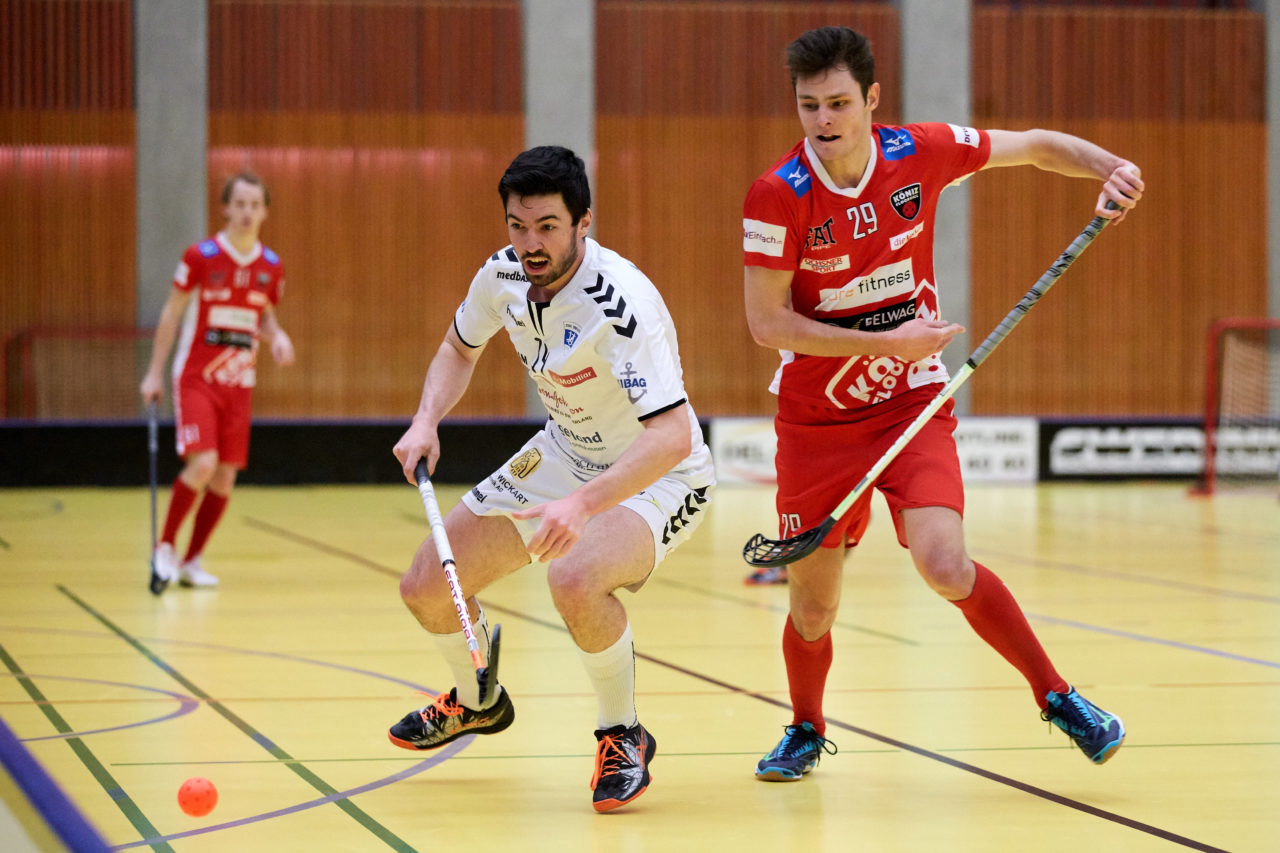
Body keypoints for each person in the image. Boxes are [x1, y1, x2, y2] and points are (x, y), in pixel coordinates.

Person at [741, 27, 1143, 780]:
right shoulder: (778, 194)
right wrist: (882, 345)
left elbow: (1027, 144)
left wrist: (1107, 165)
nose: (823, 122)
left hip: (911, 402)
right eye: (808, 106)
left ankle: (1058, 696)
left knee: (944, 561)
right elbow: (767, 325)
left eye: (837, 104)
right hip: (818, 420)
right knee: (813, 609)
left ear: (872, 100)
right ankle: (804, 726)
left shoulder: (917, 152)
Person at [387, 145, 716, 813]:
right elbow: (458, 346)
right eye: (517, 225)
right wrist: (426, 419)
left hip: (659, 473)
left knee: (574, 576)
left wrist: (585, 504)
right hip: (565, 453)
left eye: (547, 227)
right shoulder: (502, 275)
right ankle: (476, 698)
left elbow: (673, 433)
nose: (530, 244)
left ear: (583, 222)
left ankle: (622, 732)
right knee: (426, 587)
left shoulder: (621, 304)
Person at [140, 171, 295, 589]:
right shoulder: (200, 257)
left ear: (264, 212)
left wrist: (277, 336)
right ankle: (165, 547)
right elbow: (172, 313)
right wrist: (154, 372)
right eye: (239, 204)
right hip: (196, 378)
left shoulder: (271, 266)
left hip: (240, 384)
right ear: (225, 208)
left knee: (225, 477)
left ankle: (192, 562)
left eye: (255, 205)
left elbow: (263, 312)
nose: (246, 212)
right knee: (204, 463)